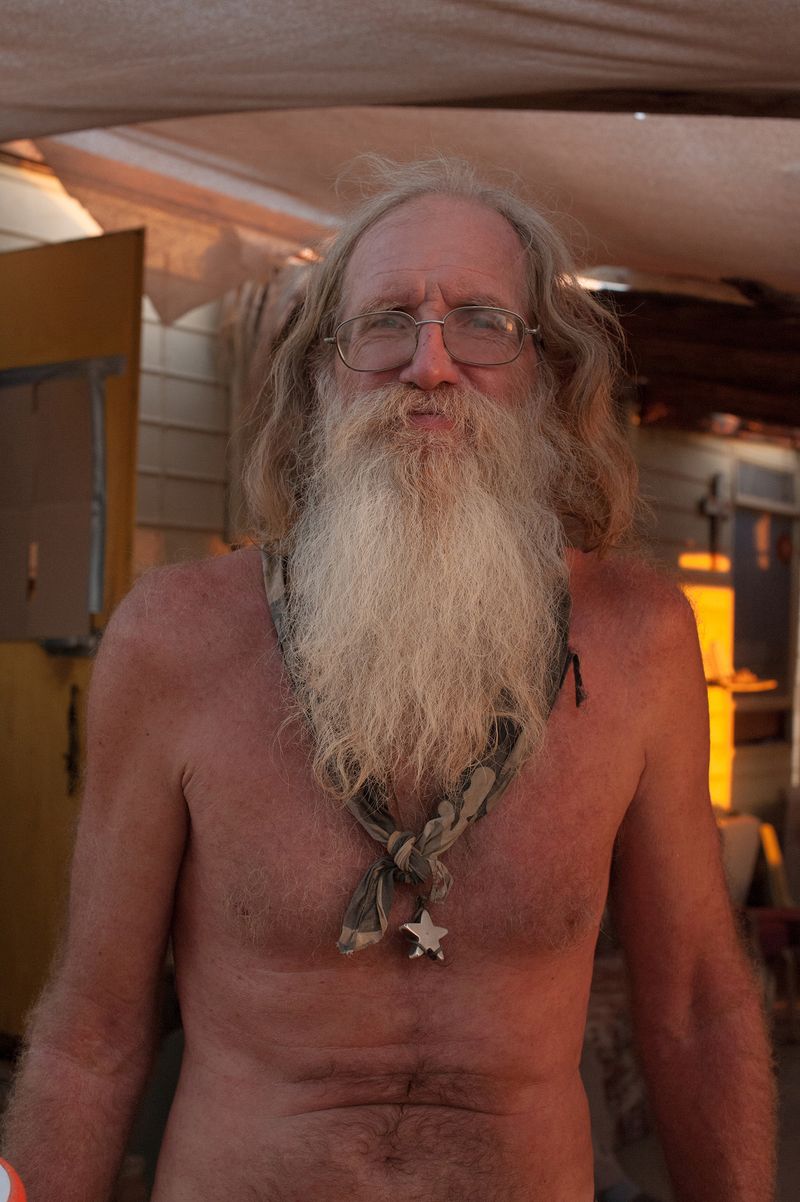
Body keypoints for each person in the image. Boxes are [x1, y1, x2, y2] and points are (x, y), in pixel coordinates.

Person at [2, 158, 775, 1201]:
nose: (430, 364)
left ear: (542, 377)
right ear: (323, 371)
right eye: (386, 321)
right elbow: (91, 1030)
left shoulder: (638, 639)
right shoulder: (176, 637)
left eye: (479, 322)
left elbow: (691, 1004)